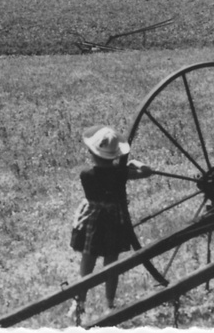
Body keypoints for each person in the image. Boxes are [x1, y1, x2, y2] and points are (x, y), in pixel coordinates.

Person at [68, 125, 151, 325]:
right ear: (115, 154)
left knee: (87, 262)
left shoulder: (86, 173)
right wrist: (131, 163)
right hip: (114, 220)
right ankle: (110, 303)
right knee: (112, 263)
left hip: (92, 221)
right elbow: (148, 171)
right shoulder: (120, 173)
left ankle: (79, 303)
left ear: (91, 152)